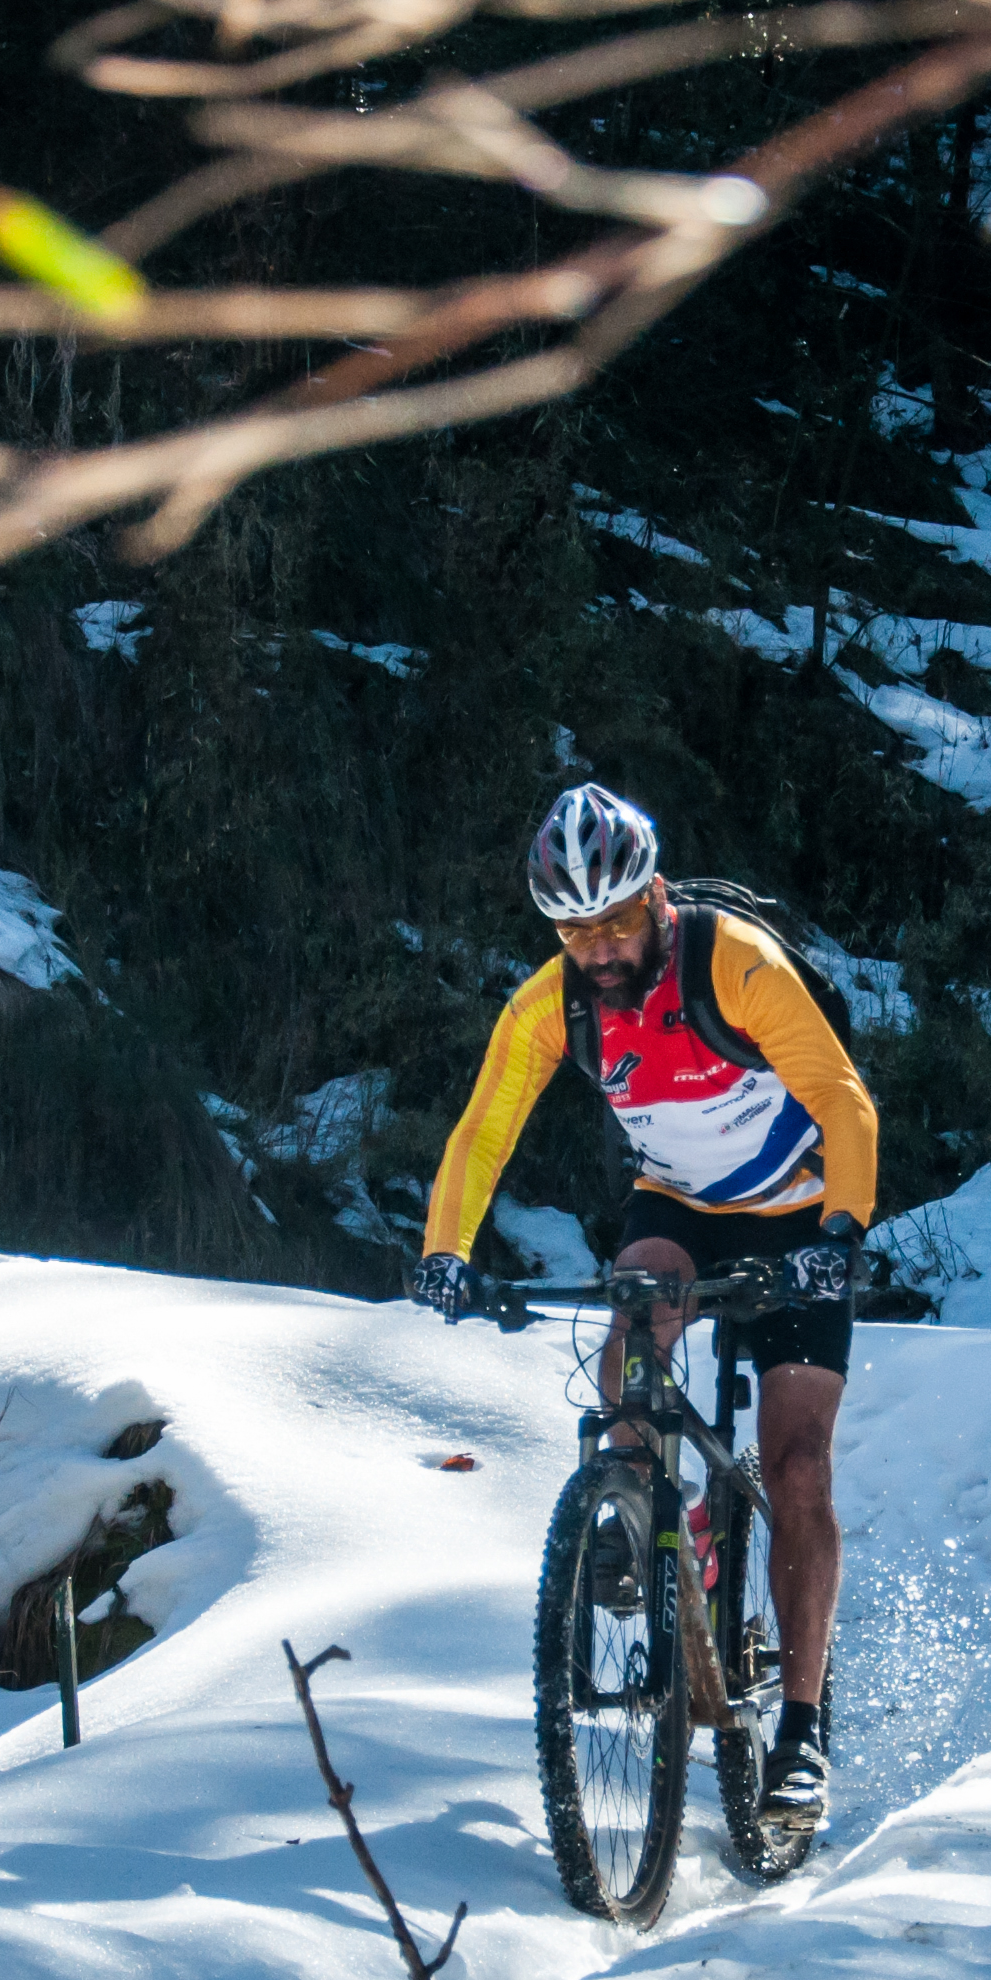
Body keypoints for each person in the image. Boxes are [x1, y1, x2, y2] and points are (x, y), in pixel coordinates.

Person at [411, 782, 873, 1829]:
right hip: (679, 1204)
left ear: (656, 896)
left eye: (616, 922)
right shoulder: (550, 1004)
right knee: (635, 1309)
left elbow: (842, 1099)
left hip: (798, 1211)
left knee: (797, 1464)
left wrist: (839, 1236)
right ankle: (631, 1498)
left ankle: (799, 1735)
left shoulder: (735, 964)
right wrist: (445, 1252)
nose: (600, 948)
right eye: (575, 931)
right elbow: (483, 1132)